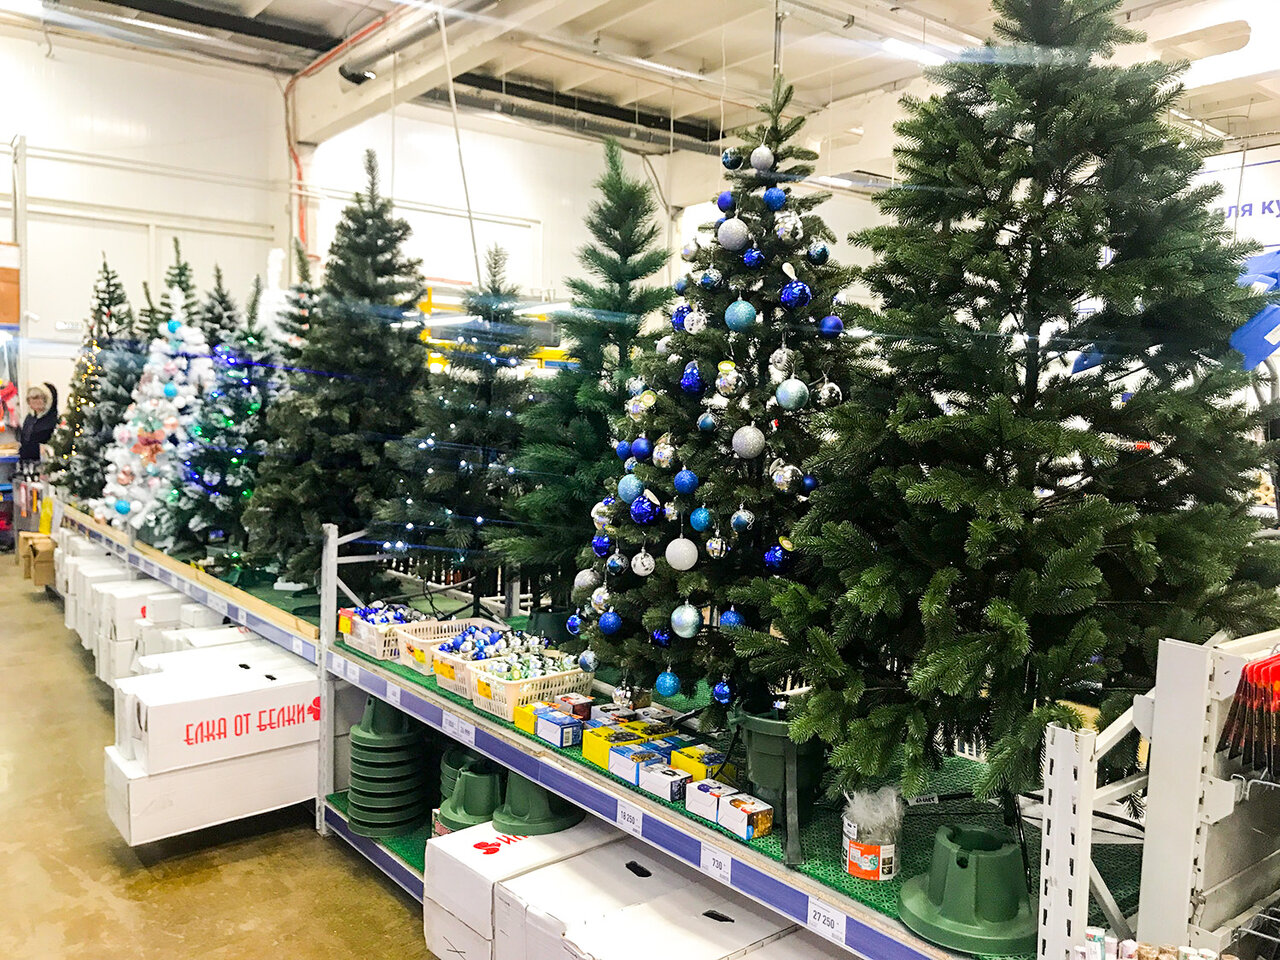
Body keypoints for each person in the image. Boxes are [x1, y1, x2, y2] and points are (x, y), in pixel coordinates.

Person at [19, 382, 58, 463]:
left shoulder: (54, 419)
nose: (35, 401)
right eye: (32, 398)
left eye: (38, 398)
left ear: (47, 400)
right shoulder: (29, 418)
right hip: (28, 463)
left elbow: (54, 447)